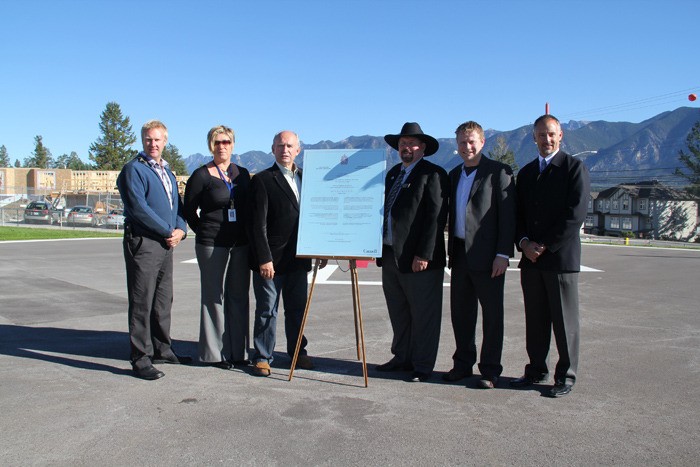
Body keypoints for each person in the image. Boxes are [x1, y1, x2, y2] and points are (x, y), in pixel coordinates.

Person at [511, 114, 591, 397]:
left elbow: (575, 214)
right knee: (535, 320)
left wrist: (543, 245)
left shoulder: (573, 168)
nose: (546, 139)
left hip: (559, 259)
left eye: (551, 134)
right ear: (533, 137)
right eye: (541, 135)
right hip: (530, 260)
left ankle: (565, 376)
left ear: (561, 136)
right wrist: (523, 243)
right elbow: (517, 214)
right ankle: (536, 370)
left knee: (565, 322)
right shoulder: (527, 172)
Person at [117, 120, 191, 380]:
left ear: (165, 141)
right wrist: (166, 230)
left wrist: (181, 229)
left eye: (158, 139)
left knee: (162, 299)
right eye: (149, 139)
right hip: (145, 243)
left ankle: (162, 348)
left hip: (166, 243)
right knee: (142, 300)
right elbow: (138, 208)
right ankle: (140, 357)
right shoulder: (133, 170)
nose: (153, 143)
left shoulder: (167, 171)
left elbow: (177, 206)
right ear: (142, 140)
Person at [444, 121, 516, 389]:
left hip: (489, 258)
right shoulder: (453, 175)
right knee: (461, 315)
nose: (467, 146)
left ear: (483, 142)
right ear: (457, 145)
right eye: (462, 142)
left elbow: (508, 218)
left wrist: (503, 254)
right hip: (460, 255)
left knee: (492, 316)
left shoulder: (498, 172)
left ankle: (489, 370)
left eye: (472, 141)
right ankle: (462, 365)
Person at [376, 122, 449, 383]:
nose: (406, 147)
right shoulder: (394, 173)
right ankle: (402, 356)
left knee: (424, 314)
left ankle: (422, 365)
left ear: (423, 148)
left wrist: (425, 254)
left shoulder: (434, 174)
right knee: (399, 310)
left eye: (412, 143)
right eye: (402, 143)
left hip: (419, 259)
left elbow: (435, 218)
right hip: (390, 254)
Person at [248, 130, 323, 377]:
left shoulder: (307, 178)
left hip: (299, 259)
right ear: (273, 149)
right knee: (267, 309)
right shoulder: (262, 180)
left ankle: (298, 352)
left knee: (297, 309)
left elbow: (314, 219)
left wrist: (320, 249)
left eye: (290, 146)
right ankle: (262, 356)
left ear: (298, 150)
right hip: (271, 261)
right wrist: (264, 258)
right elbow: (257, 225)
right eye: (280, 146)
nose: (285, 150)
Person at [183, 125, 251, 370]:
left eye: (226, 142)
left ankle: (239, 351)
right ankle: (215, 354)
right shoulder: (201, 175)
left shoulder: (242, 174)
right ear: (211, 146)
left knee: (239, 296)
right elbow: (188, 210)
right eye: (217, 142)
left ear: (233, 144)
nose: (222, 146)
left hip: (240, 244)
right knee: (213, 297)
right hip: (211, 244)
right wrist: (203, 230)